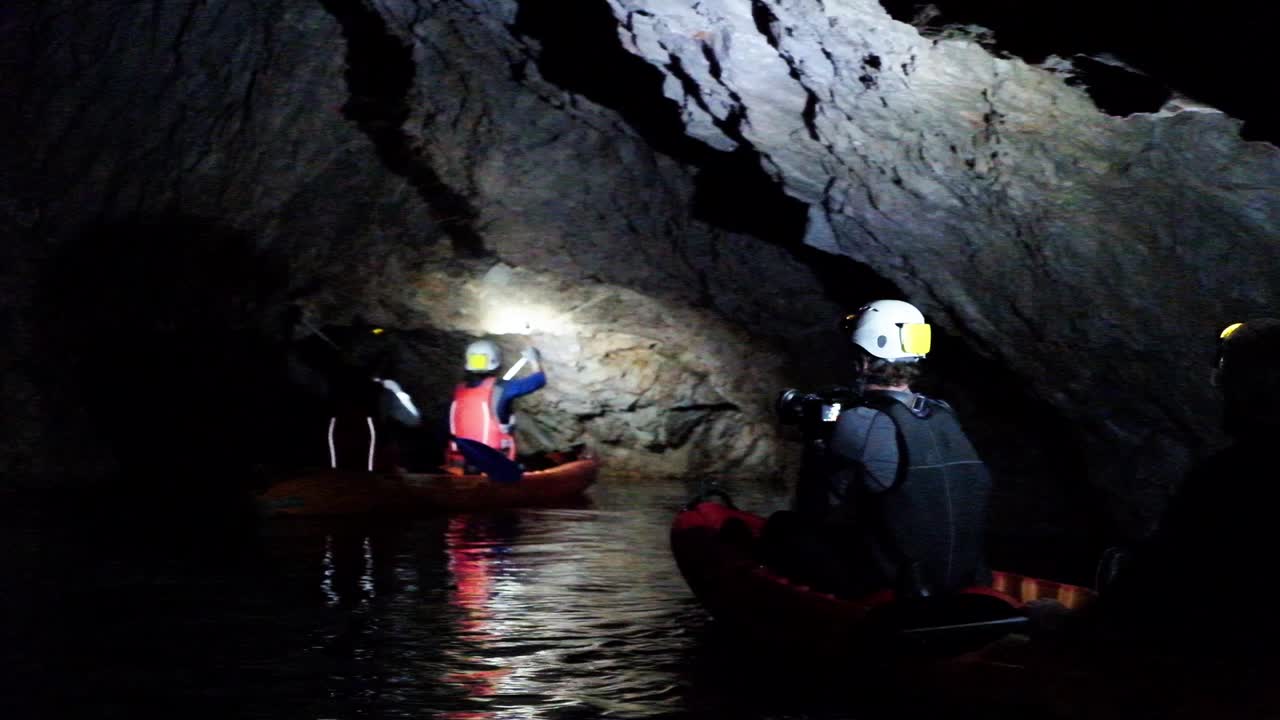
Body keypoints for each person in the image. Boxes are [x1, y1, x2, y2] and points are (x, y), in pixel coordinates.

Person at [765, 300, 993, 598]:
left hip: (900, 583)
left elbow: (817, 508)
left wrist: (817, 440)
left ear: (863, 362)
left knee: (782, 529)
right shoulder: (943, 412)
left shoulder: (860, 422)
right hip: (962, 573)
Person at [1100, 318, 1280, 645]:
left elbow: (1155, 587)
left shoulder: (1233, 479)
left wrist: (1064, 623)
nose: (1217, 386)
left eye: (1226, 377)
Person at [446, 339, 546, 469]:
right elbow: (539, 380)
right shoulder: (502, 389)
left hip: (461, 462)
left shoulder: (458, 392)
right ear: (496, 362)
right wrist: (534, 360)